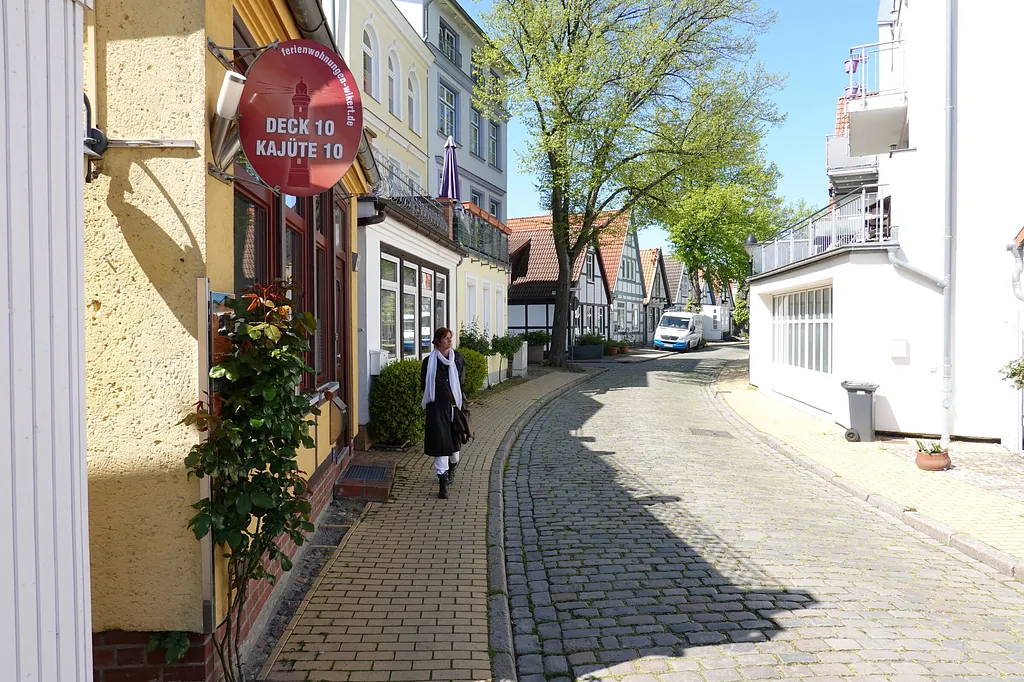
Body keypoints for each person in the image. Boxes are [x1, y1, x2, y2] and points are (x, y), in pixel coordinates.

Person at [420, 327, 466, 499]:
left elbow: (461, 382)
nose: (449, 341)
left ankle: (452, 467)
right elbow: (424, 385)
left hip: (454, 406)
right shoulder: (429, 362)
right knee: (441, 442)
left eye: (450, 337)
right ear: (438, 341)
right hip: (436, 407)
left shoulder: (458, 359)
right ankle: (442, 481)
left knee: (454, 443)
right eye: (446, 338)